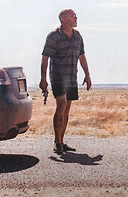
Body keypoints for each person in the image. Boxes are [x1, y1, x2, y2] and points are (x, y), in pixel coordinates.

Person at [39, 9, 92, 154]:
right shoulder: (54, 36)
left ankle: (62, 141)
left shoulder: (77, 36)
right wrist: (43, 79)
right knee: (61, 104)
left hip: (72, 77)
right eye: (73, 16)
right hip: (58, 77)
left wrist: (87, 75)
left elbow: (82, 56)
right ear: (63, 19)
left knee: (67, 108)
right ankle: (57, 142)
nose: (76, 18)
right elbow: (45, 58)